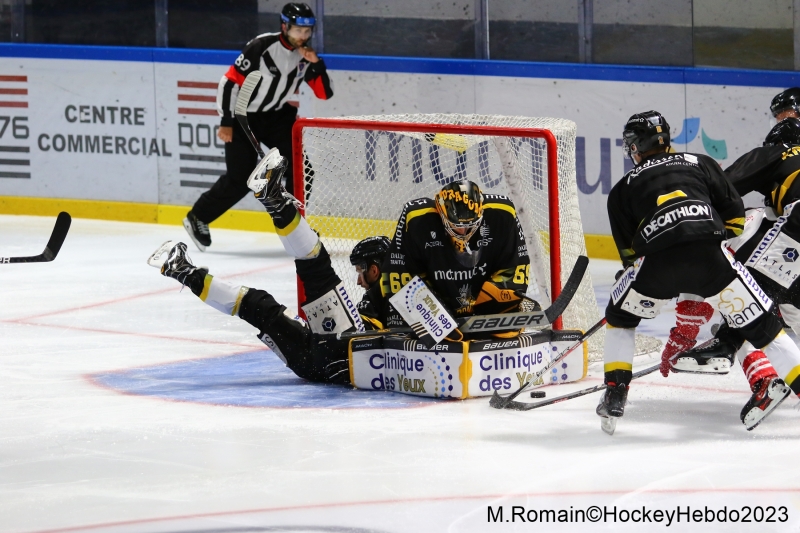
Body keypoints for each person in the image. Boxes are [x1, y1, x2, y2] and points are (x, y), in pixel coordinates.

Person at [599, 110, 800, 433]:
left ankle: (615, 392)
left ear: (636, 146)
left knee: (620, 318)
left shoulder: (622, 189)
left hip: (659, 268)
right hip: (717, 263)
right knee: (768, 325)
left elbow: (630, 257)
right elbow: (732, 215)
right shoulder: (701, 162)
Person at [151, 150, 385, 385]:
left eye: (361, 271)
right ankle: (183, 271)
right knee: (257, 305)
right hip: (310, 364)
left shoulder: (396, 293)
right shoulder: (390, 298)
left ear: (376, 269)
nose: (358, 280)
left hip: (347, 347)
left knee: (316, 265)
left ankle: (274, 198)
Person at [664, 118, 800, 413]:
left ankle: (726, 344)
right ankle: (757, 373)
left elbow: (722, 188)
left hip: (795, 233)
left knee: (746, 298)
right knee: (778, 311)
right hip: (792, 260)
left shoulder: (779, 152)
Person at [183, 2, 333, 252]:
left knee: (302, 169)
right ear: (284, 27)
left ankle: (296, 228)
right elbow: (230, 82)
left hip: (276, 118)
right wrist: (226, 121)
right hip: (243, 117)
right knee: (240, 179)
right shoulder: (262, 46)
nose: (303, 37)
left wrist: (316, 63)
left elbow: (324, 93)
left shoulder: (306, 57)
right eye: (298, 31)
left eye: (307, 32)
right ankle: (198, 216)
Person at [377, 180, 533, 336]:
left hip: (482, 315)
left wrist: (494, 308)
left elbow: (515, 267)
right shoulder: (417, 219)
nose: (463, 231)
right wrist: (436, 320)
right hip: (435, 313)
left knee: (507, 331)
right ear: (441, 212)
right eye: (456, 225)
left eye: (471, 225)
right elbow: (398, 276)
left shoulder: (502, 214)